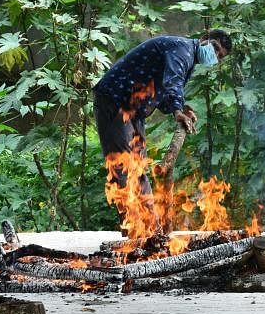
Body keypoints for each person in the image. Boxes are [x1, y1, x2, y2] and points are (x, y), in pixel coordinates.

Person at [93, 30, 231, 232]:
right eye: (215, 48)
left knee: (138, 169)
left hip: (133, 110)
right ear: (203, 39)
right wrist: (177, 111)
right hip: (115, 100)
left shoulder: (187, 57)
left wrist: (179, 108)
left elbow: (163, 90)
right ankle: (135, 231)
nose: (215, 56)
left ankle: (151, 230)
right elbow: (173, 82)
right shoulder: (183, 49)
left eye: (220, 56)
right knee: (123, 165)